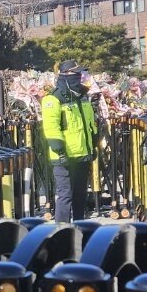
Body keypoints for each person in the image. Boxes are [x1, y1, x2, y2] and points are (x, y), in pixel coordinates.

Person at [41, 60, 97, 223]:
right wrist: (59, 150)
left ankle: (80, 227)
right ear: (65, 75)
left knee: (80, 194)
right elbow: (51, 127)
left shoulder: (82, 96)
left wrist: (92, 144)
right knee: (65, 195)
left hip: (82, 154)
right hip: (64, 156)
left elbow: (89, 123)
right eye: (76, 74)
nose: (80, 77)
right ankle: (62, 232)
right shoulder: (53, 99)